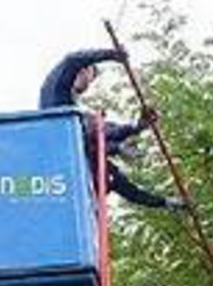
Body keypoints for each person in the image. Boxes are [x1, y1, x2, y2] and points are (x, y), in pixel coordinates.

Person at [39, 48, 186, 211]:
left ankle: (167, 202)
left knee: (109, 173)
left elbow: (129, 190)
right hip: (56, 167)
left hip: (81, 199)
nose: (88, 85)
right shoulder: (57, 95)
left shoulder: (93, 154)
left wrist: (136, 127)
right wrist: (110, 55)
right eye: (90, 77)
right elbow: (72, 60)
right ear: (83, 70)